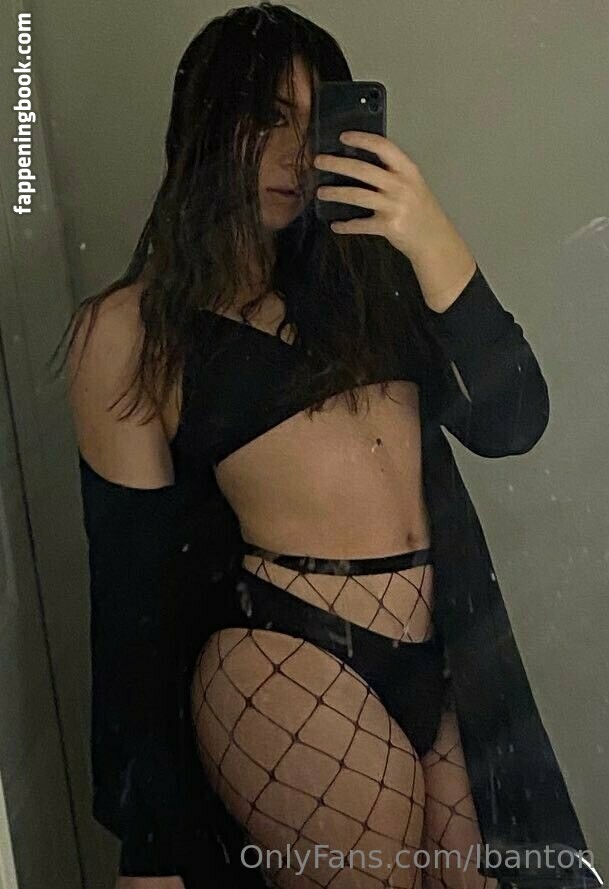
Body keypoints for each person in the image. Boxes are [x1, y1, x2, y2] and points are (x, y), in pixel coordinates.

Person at [56, 4, 595, 888]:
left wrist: (430, 234)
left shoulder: (367, 281)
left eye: (316, 122)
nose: (297, 154)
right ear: (205, 124)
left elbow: (512, 421)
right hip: (282, 652)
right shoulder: (133, 329)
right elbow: (130, 599)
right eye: (267, 117)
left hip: (433, 649)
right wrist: (148, 846)